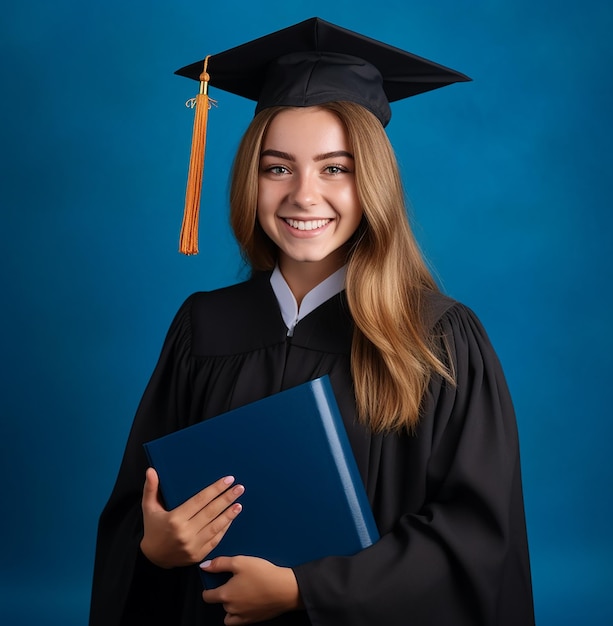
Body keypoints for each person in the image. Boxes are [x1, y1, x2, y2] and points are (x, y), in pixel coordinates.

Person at [89, 17, 535, 626]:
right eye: (278, 168)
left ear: (372, 181)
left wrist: (305, 589)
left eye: (335, 168)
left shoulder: (436, 336)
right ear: (252, 178)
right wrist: (155, 546)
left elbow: (474, 539)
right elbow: (134, 509)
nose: (303, 195)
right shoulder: (204, 327)